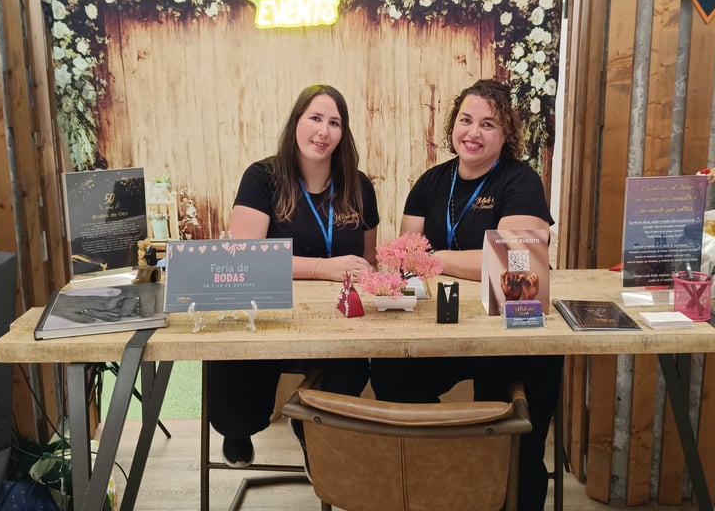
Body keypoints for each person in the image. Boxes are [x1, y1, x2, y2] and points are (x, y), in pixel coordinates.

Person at [369, 79, 561, 511]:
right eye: (466, 120)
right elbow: (405, 259)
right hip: (445, 328)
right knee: (390, 371)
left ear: (506, 134)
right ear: (453, 126)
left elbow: (518, 268)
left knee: (517, 446)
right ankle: (440, 475)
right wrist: (449, 260)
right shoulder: (430, 183)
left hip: (512, 332)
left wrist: (435, 258)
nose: (473, 132)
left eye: (488, 124)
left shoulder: (521, 181)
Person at [209, 84, 379, 468]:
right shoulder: (262, 177)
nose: (323, 131)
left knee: (352, 370)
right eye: (315, 118)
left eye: (334, 122)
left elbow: (367, 258)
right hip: (271, 315)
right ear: (296, 122)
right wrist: (322, 268)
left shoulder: (359, 185)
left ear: (343, 132)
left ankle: (310, 428)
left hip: (337, 321)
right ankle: (238, 430)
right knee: (234, 375)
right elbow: (245, 258)